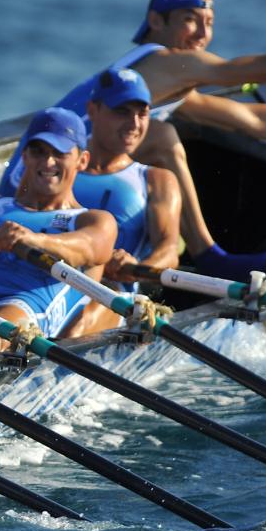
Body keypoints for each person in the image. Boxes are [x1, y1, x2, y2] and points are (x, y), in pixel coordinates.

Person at [0, 0, 266, 278]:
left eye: (209, 23)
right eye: (190, 19)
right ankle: (208, 254)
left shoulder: (160, 81)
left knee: (154, 137)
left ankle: (160, 252)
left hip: (49, 181)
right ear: (156, 21)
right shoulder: (165, 61)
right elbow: (259, 68)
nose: (202, 34)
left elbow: (256, 121)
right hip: (32, 185)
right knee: (161, 135)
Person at [0, 108, 117, 358]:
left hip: (24, 306)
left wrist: (32, 239)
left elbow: (91, 248)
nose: (48, 162)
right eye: (38, 151)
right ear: (25, 156)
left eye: (59, 153)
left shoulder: (92, 220)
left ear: (82, 160)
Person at [62, 68, 183, 337]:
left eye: (143, 114)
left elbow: (169, 251)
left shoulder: (157, 180)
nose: (134, 123)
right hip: (52, 279)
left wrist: (136, 269)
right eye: (122, 112)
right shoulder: (59, 167)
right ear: (93, 110)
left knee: (75, 329)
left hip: (112, 292)